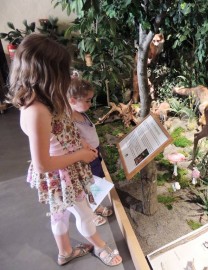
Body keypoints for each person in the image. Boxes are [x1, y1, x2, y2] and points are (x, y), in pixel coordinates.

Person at [7, 33, 122, 267]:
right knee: (84, 214)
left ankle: (65, 251)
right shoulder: (37, 110)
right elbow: (42, 164)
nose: (67, 76)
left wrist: (80, 144)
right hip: (62, 175)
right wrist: (80, 155)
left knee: (58, 213)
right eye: (62, 71)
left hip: (64, 170)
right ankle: (100, 247)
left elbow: (62, 132)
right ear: (46, 73)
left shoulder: (45, 97)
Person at [67, 77, 113, 226]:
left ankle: (95, 204)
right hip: (85, 158)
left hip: (94, 153)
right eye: (87, 100)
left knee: (96, 181)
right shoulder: (68, 119)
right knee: (87, 183)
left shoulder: (80, 113)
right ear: (73, 100)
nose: (90, 103)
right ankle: (90, 213)